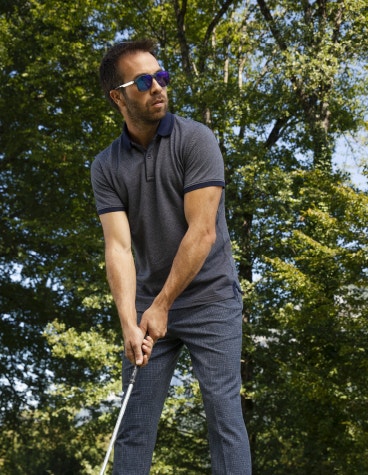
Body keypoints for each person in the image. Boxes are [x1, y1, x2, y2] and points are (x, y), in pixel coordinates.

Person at [91, 39, 252, 475]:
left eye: (161, 77)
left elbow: (202, 232)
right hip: (147, 306)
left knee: (224, 419)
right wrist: (129, 319)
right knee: (134, 424)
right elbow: (119, 247)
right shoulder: (106, 166)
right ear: (118, 96)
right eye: (144, 81)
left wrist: (162, 305)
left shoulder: (196, 140)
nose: (158, 87)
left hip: (211, 299)